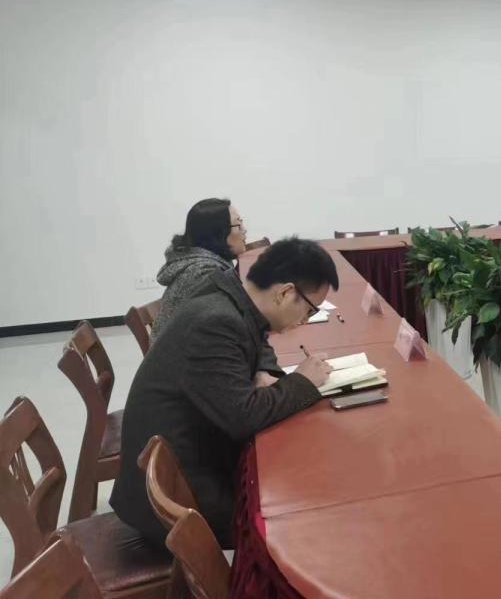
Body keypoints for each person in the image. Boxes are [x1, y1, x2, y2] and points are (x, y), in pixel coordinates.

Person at [111, 237, 337, 548]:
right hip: (178, 497)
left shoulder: (228, 293)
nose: (304, 321)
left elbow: (258, 337)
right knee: (301, 513)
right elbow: (243, 417)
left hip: (193, 456)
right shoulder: (215, 322)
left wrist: (266, 372)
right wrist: (302, 381)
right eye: (309, 310)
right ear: (285, 293)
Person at [150, 198, 248, 335]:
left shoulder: (210, 263)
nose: (244, 230)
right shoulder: (203, 273)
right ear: (217, 232)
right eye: (238, 225)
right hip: (189, 347)